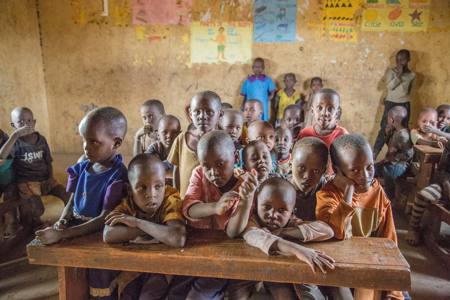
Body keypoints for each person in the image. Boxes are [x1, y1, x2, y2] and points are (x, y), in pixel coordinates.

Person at [34, 107, 128, 299]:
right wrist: (63, 219)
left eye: (93, 142)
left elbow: (104, 218)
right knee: (73, 276)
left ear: (116, 143)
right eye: (84, 139)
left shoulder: (117, 175)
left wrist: (62, 234)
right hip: (75, 227)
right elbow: (72, 199)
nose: (86, 147)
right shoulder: (83, 164)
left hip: (99, 234)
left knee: (99, 278)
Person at [316, 134, 403, 300]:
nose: (365, 176)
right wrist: (349, 191)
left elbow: (390, 241)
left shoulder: (377, 193)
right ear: (337, 170)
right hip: (337, 267)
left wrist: (394, 292)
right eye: (355, 170)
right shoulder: (327, 195)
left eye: (369, 167)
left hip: (368, 265)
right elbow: (337, 232)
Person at [175, 130, 257, 299]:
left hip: (225, 255)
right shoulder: (199, 174)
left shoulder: (245, 184)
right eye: (207, 165)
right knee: (173, 292)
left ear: (235, 156)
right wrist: (215, 207)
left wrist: (246, 199)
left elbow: (233, 232)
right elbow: (189, 209)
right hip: (195, 248)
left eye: (220, 164)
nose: (213, 172)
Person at [103, 154, 186, 299]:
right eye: (142, 188)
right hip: (136, 266)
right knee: (127, 294)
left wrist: (137, 222)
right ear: (130, 189)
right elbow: (108, 235)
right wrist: (155, 229)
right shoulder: (128, 202)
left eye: (158, 186)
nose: (151, 194)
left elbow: (177, 238)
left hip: (164, 267)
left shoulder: (170, 198)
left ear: (165, 184)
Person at [242, 177, 335, 299]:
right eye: (267, 206)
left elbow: (327, 231)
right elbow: (254, 235)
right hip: (260, 277)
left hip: (287, 273)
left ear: (292, 212)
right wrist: (298, 250)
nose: (273, 215)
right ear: (256, 204)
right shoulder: (252, 221)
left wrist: (284, 232)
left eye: (282, 210)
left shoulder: (290, 222)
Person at [0, 107, 67, 235]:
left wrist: (50, 178)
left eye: (29, 120)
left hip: (45, 179)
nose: (26, 124)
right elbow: (2, 156)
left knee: (66, 194)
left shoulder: (41, 140)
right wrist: (14, 136)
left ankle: (69, 217)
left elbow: (48, 161)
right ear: (13, 125)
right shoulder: (15, 143)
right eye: (21, 122)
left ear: (34, 122)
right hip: (27, 182)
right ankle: (32, 223)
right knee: (36, 210)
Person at [167, 91, 223, 198]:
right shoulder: (182, 139)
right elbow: (176, 170)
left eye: (209, 112)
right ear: (190, 114)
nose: (202, 116)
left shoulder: (224, 142)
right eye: (197, 111)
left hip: (212, 205)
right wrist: (177, 195)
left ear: (220, 114)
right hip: (185, 200)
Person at [373, 49, 416, 159]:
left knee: (402, 130)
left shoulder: (411, 75)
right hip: (390, 104)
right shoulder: (391, 72)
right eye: (398, 59)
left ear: (408, 60)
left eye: (403, 59)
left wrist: (402, 76)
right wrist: (399, 75)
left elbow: (407, 91)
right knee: (384, 129)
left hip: (404, 105)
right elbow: (390, 87)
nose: (400, 61)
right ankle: (373, 156)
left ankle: (400, 158)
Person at [298, 88, 348, 173]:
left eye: (330, 109)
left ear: (337, 113)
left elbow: (347, 164)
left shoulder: (342, 135)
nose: (324, 113)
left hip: (332, 183)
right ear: (313, 111)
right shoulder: (305, 134)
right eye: (319, 108)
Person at [376, 106, 413, 201]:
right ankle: (376, 195)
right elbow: (391, 146)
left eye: (387, 118)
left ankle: (389, 198)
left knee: (388, 171)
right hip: (390, 162)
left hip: (401, 165)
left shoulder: (403, 135)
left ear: (392, 120)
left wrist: (394, 159)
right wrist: (387, 133)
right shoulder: (395, 131)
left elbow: (408, 154)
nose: (387, 120)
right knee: (373, 169)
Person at [240, 58, 276, 122]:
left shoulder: (267, 80)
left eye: (260, 67)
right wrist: (243, 104)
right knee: (251, 119)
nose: (257, 68)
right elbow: (245, 95)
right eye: (256, 67)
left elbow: (272, 90)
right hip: (250, 105)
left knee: (262, 120)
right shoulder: (248, 81)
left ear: (263, 68)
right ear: (252, 68)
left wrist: (270, 96)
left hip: (262, 104)